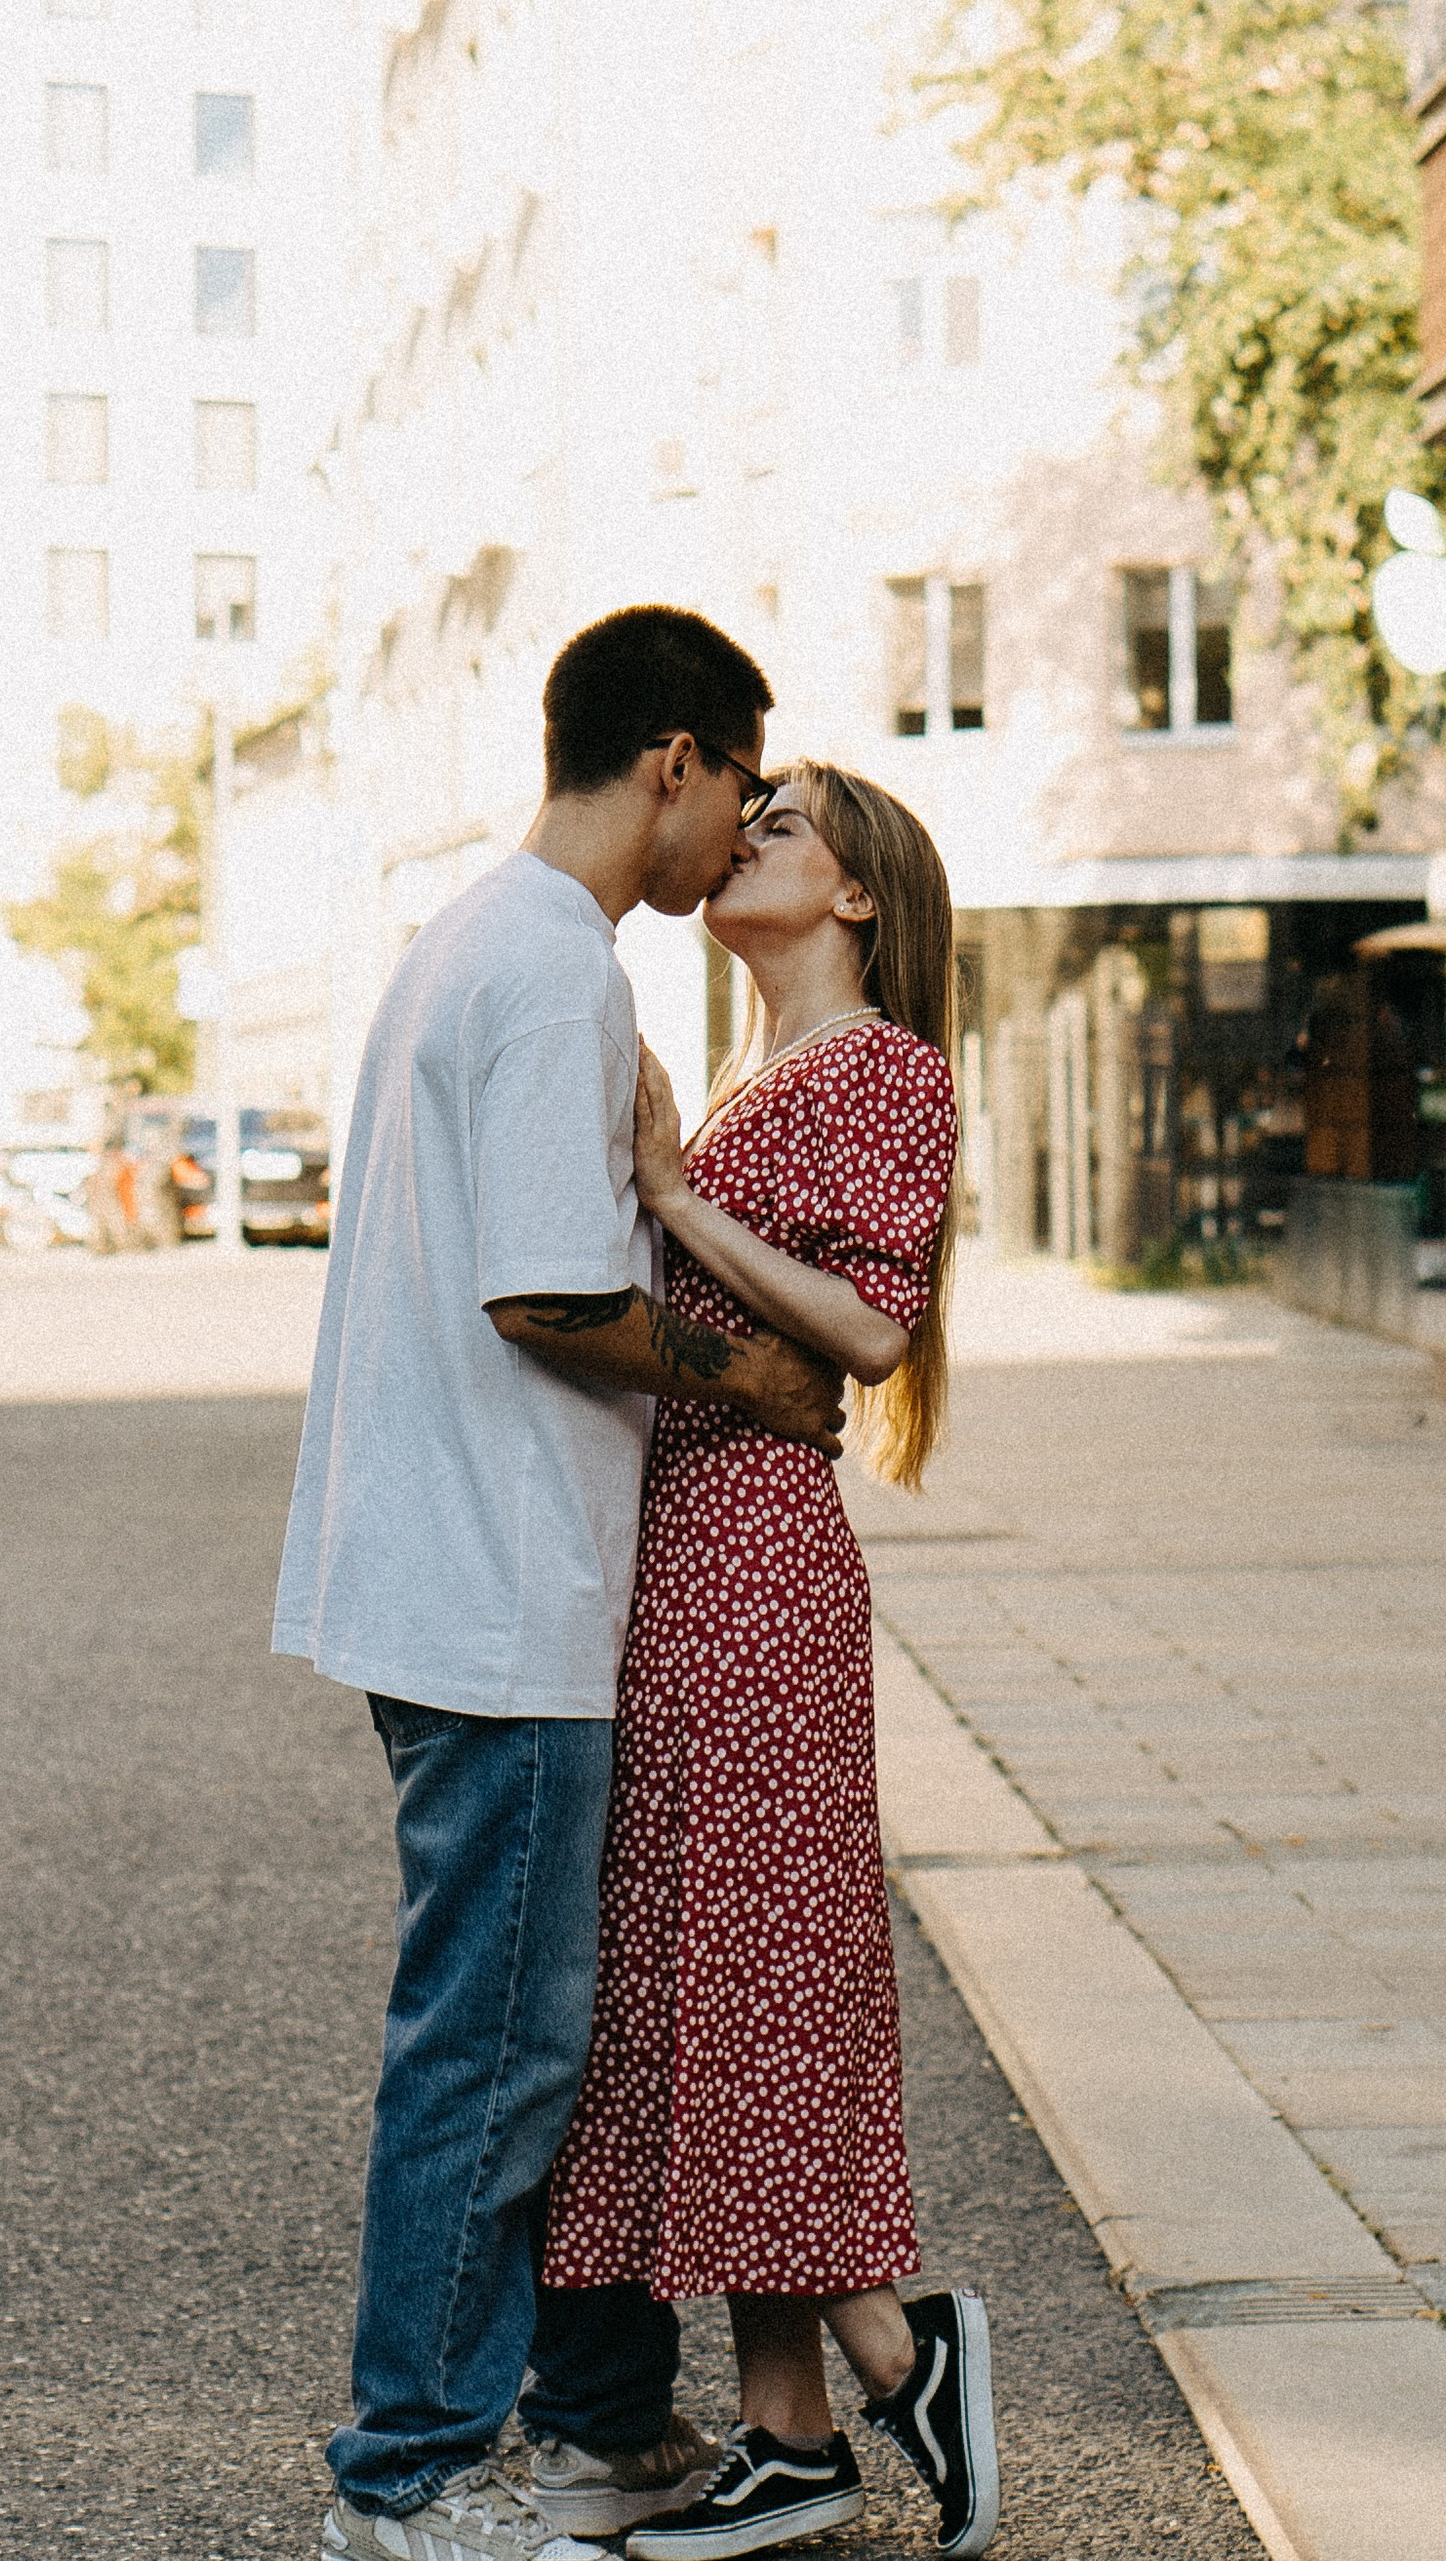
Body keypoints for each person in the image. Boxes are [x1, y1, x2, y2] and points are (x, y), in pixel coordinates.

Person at [275, 607, 850, 2561]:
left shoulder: (476, 935)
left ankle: (600, 2421)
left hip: (460, 1578)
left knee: (534, 2032)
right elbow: (551, 1292)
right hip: (497, 1594)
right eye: (737, 792)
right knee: (495, 2047)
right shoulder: (547, 969)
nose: (730, 846)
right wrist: (753, 1374)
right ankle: (412, 2469)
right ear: (669, 760)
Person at [541, 763, 997, 2560]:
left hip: (755, 1562)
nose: (744, 840)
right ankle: (801, 2429)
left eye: (784, 826)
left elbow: (875, 1327)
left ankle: (881, 2363)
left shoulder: (886, 1067)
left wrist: (671, 1189)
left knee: (751, 1982)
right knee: (719, 1988)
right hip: (689, 1556)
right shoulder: (763, 1074)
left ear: (861, 895)